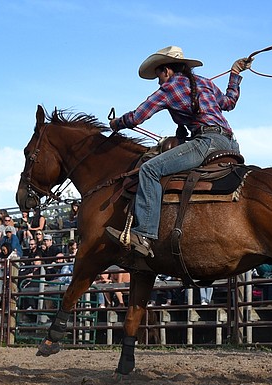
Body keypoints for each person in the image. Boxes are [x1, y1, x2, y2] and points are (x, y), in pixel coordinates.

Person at [106, 45, 253, 257]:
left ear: (167, 70)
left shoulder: (168, 89)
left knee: (149, 170)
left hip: (207, 142)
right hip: (231, 144)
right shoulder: (205, 82)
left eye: (159, 76)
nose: (158, 81)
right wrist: (235, 74)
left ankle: (144, 234)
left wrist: (116, 124)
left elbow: (138, 117)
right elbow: (229, 103)